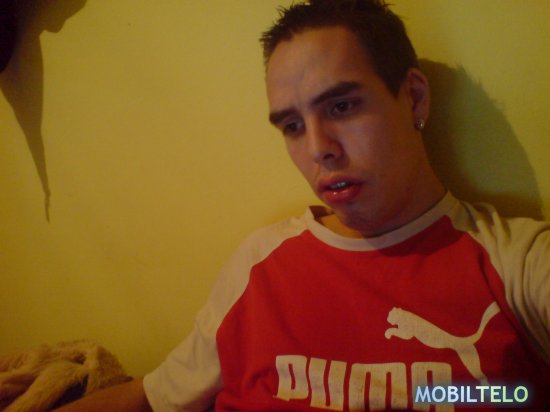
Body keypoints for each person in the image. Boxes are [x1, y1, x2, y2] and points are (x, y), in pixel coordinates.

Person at [55, 0, 549, 410]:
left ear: (415, 98)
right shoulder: (261, 263)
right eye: (292, 125)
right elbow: (150, 396)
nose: (317, 149)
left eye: (341, 106)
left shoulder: (516, 264)